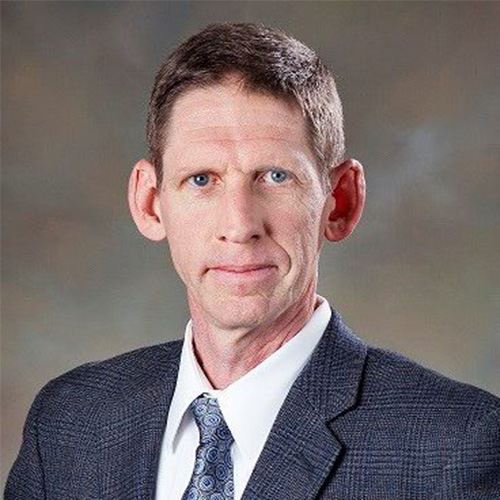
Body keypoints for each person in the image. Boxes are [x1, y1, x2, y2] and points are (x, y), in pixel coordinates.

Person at [5, 22, 500, 500]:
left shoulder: (457, 447)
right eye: (201, 179)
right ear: (150, 203)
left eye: (275, 177)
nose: (239, 225)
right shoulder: (69, 424)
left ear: (340, 201)